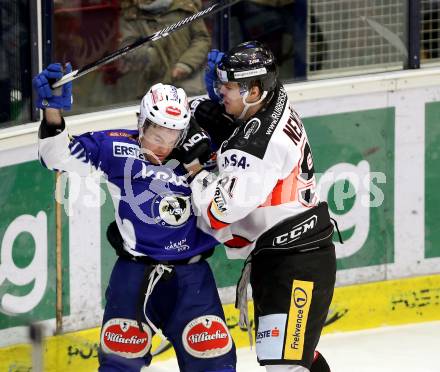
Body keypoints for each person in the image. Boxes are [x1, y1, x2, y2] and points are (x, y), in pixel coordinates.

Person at [33, 63, 237, 372]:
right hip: (135, 275)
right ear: (141, 122)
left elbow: (250, 154)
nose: (163, 143)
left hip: (192, 280)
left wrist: (224, 105)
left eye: (173, 134)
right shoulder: (115, 147)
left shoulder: (203, 152)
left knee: (215, 366)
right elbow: (55, 157)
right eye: (157, 131)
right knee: (118, 367)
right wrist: (52, 113)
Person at [179, 41, 337, 372]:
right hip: (288, 255)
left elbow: (218, 210)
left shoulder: (259, 144)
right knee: (290, 360)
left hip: (297, 266)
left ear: (253, 91)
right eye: (222, 83)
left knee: (286, 366)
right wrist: (227, 110)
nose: (221, 90)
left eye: (230, 86)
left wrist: (195, 172)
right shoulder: (272, 97)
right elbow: (252, 120)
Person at [115, 0, 211, 99]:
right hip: (151, 89)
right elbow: (126, 48)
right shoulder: (131, 15)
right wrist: (151, 56)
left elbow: (202, 39)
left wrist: (186, 64)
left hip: (189, 85)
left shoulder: (186, 6)